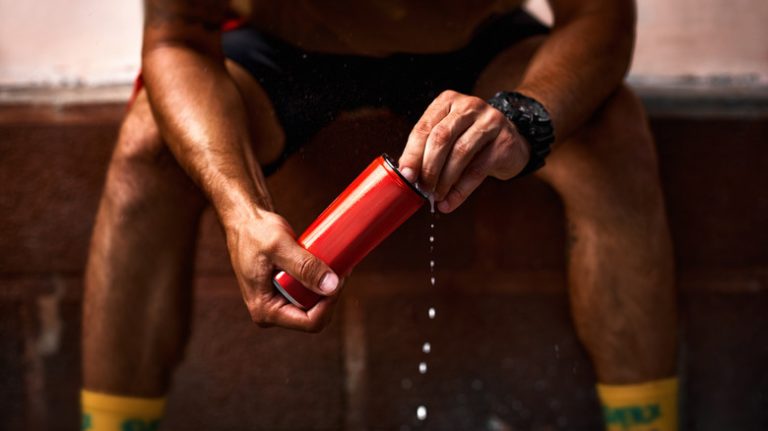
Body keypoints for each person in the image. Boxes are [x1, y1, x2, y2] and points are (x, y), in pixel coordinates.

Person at [81, 0, 679, 430]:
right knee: (148, 147)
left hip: (474, 36)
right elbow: (178, 35)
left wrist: (526, 117)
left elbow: (599, 16)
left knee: (611, 135)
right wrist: (241, 209)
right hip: (284, 42)